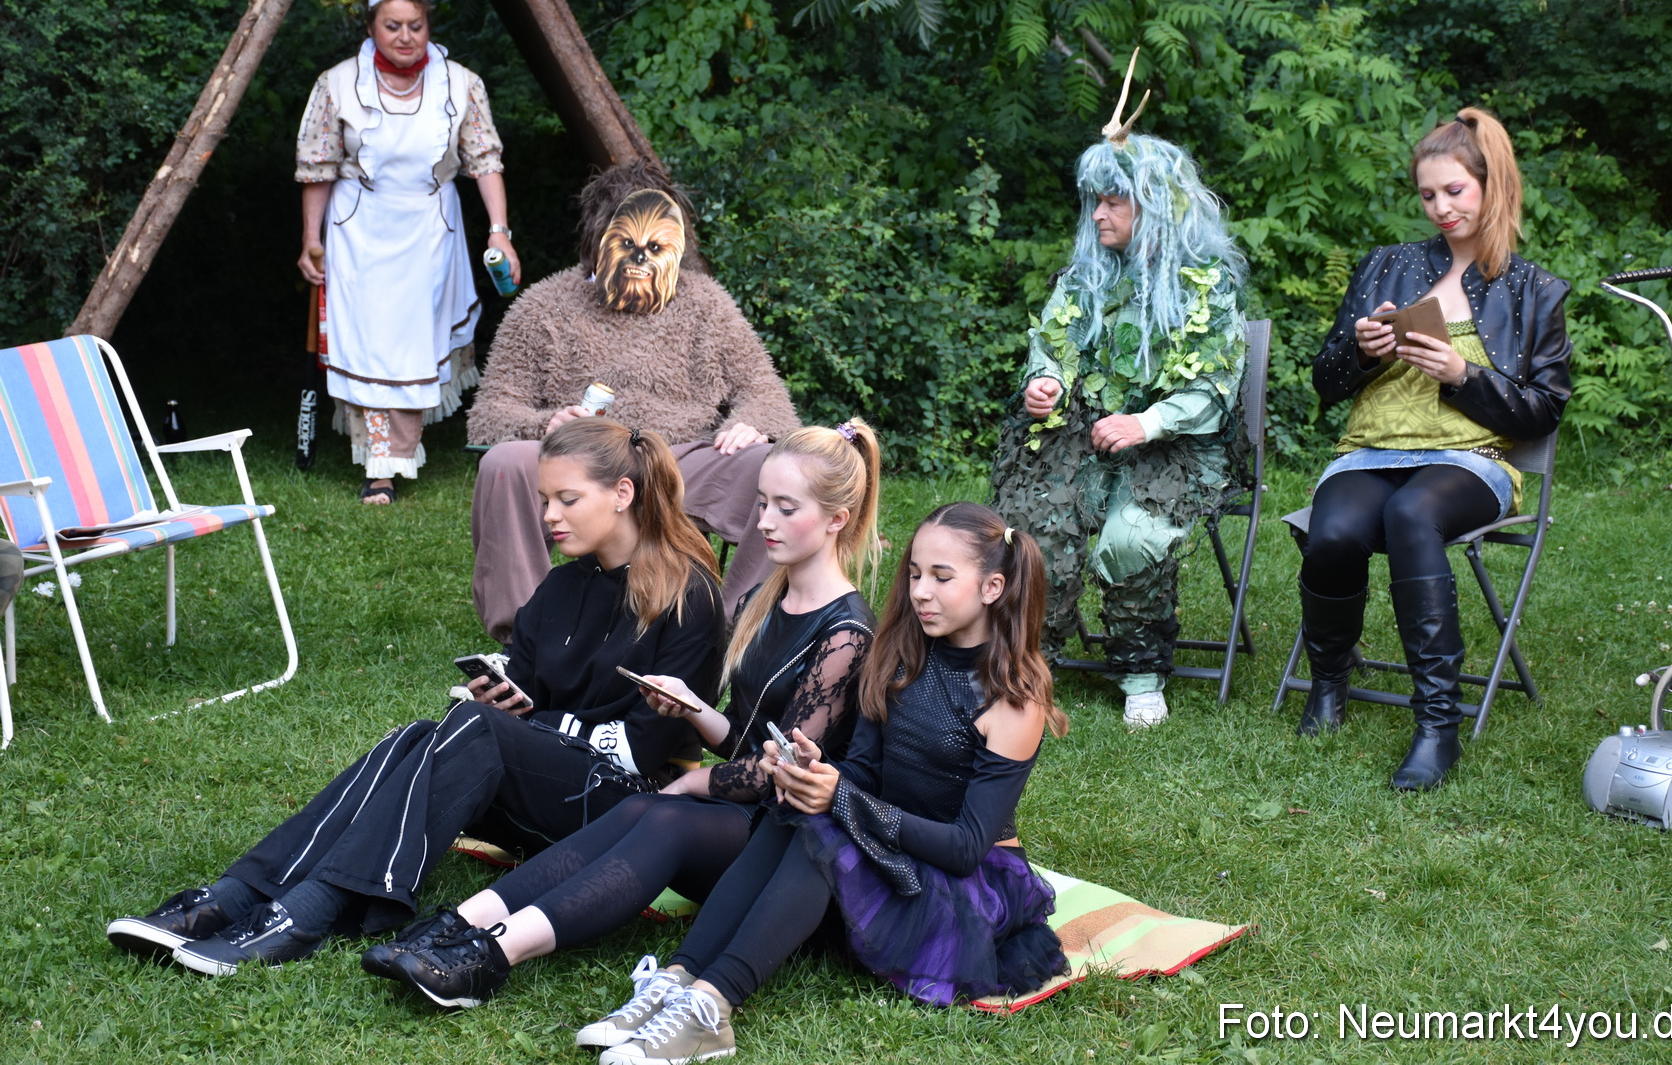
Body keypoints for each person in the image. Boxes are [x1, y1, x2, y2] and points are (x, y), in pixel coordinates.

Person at [105, 419, 725, 973]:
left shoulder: (686, 595)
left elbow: (641, 752)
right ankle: (238, 895)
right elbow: (528, 682)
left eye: (568, 499)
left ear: (623, 494)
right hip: (544, 782)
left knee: (474, 731)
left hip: (622, 808)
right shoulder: (563, 584)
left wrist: (532, 724)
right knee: (425, 733)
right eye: (544, 500)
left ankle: (310, 912)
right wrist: (501, 692)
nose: (548, 517)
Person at [361, 420, 883, 1009]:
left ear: (837, 519)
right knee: (643, 807)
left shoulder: (847, 632)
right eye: (762, 503)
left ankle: (489, 956)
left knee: (661, 816)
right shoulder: (768, 600)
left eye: (786, 509)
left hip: (787, 840)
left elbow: (775, 773)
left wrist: (692, 780)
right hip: (741, 816)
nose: (763, 522)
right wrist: (695, 712)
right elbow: (747, 738)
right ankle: (456, 923)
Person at [585, 502, 1071, 1065]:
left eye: (942, 577)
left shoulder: (1012, 699)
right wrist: (818, 769)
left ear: (992, 587)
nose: (920, 591)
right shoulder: (900, 654)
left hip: (960, 884)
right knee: (797, 806)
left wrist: (843, 797)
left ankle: (713, 1008)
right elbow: (862, 769)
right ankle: (679, 976)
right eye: (914, 573)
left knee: (825, 825)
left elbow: (965, 847)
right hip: (886, 847)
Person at [1296, 106, 1571, 791]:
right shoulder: (1386, 267)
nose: (1440, 207)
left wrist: (1462, 374)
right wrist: (1360, 353)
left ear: (1491, 185)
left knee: (1412, 516)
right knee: (1331, 531)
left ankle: (1436, 725)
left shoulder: (1532, 289)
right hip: (1372, 450)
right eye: (1427, 194)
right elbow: (1323, 381)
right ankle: (1328, 683)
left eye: (1455, 190)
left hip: (1470, 461)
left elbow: (1542, 412)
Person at [991, 54, 1248, 728]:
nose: (1099, 214)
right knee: (1037, 524)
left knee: (1129, 536)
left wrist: (1147, 423)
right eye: (1094, 201)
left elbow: (1214, 388)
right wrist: (1044, 381)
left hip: (1175, 444)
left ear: (1154, 205)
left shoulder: (1207, 283)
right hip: (1086, 431)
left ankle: (1140, 669)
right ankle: (1027, 661)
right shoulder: (1087, 276)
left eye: (1114, 200)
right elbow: (1053, 342)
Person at [467, 158, 801, 642]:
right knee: (503, 462)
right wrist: (546, 423)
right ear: (598, 239)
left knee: (775, 466)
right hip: (582, 458)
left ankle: (732, 630)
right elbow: (490, 413)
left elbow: (765, 391)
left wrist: (751, 421)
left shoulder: (705, 302)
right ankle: (528, 633)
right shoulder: (543, 306)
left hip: (680, 458)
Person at [295, 0, 520, 506]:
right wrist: (310, 240)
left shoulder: (460, 84)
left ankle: (400, 447)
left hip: (428, 230)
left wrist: (499, 232)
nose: (403, 36)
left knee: (412, 342)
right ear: (371, 26)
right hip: (357, 230)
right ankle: (380, 468)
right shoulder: (337, 85)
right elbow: (318, 165)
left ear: (428, 26)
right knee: (369, 343)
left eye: (414, 26)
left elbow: (485, 161)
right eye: (391, 25)